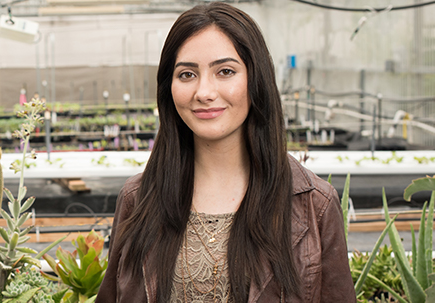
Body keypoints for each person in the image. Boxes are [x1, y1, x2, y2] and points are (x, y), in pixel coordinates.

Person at [95, 2, 353, 302]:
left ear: (255, 80)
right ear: (169, 88)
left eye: (225, 71)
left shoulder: (313, 205)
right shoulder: (138, 199)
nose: (204, 92)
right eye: (187, 74)